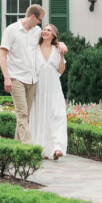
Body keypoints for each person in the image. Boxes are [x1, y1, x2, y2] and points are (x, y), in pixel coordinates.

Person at [0, 3, 45, 143]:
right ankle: (29, 147)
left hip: (32, 79)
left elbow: (49, 41)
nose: (40, 22)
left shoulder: (37, 31)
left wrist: (61, 45)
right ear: (32, 16)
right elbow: (2, 55)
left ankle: (16, 148)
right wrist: (7, 78)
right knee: (22, 113)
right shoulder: (11, 30)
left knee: (25, 116)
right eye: (39, 19)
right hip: (16, 77)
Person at [30, 23, 68, 160]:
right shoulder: (34, 49)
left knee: (57, 116)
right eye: (44, 29)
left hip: (54, 88)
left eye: (48, 30)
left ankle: (57, 147)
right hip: (39, 89)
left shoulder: (57, 49)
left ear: (53, 35)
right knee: (40, 118)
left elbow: (61, 70)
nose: (45, 31)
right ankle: (43, 149)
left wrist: (62, 55)